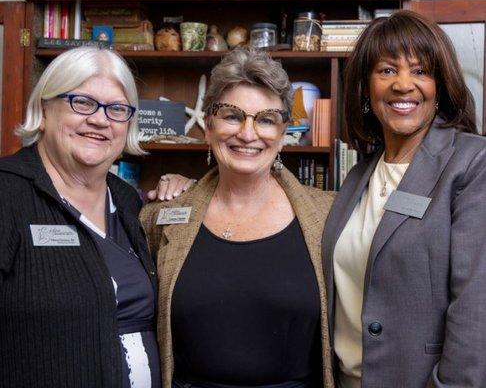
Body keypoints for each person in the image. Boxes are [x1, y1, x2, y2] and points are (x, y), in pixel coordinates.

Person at [140, 47, 335, 388]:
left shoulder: (329, 215)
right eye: (232, 116)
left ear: (283, 131)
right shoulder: (162, 218)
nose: (247, 134)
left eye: (265, 119)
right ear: (209, 123)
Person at [321, 10, 486, 387]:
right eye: (387, 70)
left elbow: (476, 308)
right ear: (365, 86)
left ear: (440, 85)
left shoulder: (473, 163)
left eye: (420, 71)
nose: (403, 84)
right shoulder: (357, 176)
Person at [0, 47, 162, 388]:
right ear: (45, 109)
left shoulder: (128, 200)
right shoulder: (7, 192)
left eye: (117, 109)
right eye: (83, 102)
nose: (100, 120)